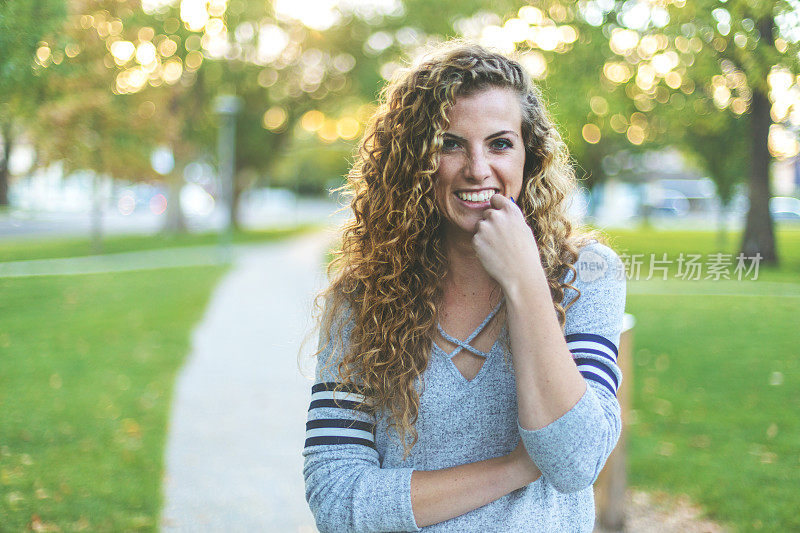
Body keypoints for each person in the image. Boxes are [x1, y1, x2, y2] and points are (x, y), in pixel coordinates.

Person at [301, 39, 627, 532]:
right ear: (415, 160)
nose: (478, 168)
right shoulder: (362, 298)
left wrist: (524, 283)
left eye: (499, 143)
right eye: (450, 144)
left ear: (528, 155)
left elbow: (575, 463)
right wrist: (513, 469)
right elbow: (335, 497)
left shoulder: (586, 274)